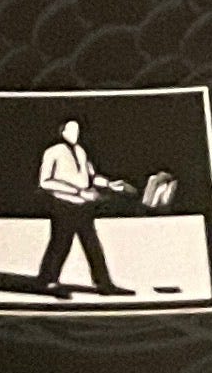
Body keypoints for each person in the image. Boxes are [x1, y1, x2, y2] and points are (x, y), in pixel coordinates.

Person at [32, 115, 136, 298]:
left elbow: (91, 177)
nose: (76, 133)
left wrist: (109, 184)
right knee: (60, 244)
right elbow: (45, 181)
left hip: (83, 206)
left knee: (92, 245)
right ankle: (47, 281)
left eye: (78, 130)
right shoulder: (53, 152)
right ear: (62, 131)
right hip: (63, 205)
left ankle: (103, 284)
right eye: (71, 130)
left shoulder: (81, 151)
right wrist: (78, 192)